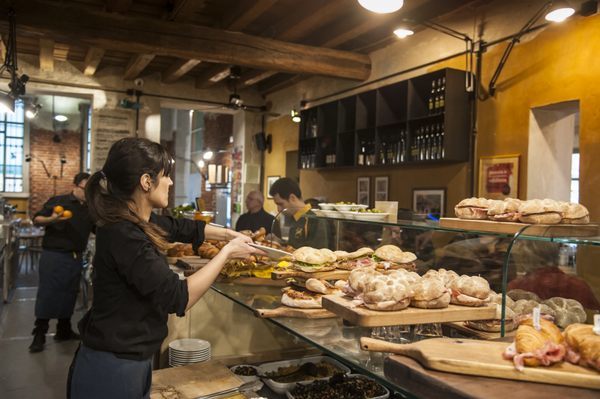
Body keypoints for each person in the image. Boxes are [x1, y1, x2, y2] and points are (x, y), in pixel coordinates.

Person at [68, 138, 262, 398]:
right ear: (146, 182)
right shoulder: (124, 233)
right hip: (112, 367)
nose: (170, 182)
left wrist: (229, 235)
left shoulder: (135, 219)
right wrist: (227, 254)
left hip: (129, 359)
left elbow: (185, 227)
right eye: (165, 176)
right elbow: (178, 296)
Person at [29, 172, 94, 353]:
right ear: (75, 186)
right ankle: (39, 334)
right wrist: (53, 219)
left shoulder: (90, 209)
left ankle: (63, 330)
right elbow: (37, 220)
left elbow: (99, 229)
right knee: (48, 294)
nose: (87, 193)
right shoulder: (59, 201)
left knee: (69, 293)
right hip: (54, 255)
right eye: (85, 188)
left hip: (75, 256)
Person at [268, 177, 329, 249]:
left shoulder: (314, 218)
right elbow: (294, 246)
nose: (278, 209)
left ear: (292, 198)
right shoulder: (296, 217)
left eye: (281, 204)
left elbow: (319, 253)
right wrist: (279, 242)